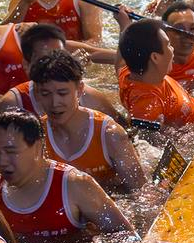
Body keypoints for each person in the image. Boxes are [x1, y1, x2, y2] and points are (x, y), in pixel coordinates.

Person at [0, 109, 135, 243]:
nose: (1, 161)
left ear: (38, 147)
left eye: (11, 151)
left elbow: (126, 235)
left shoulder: (75, 185)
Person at [30, 50, 145, 191]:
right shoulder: (35, 136)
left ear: (80, 90)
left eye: (62, 93)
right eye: (46, 94)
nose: (55, 103)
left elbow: (141, 193)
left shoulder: (110, 135)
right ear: (36, 94)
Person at [0, 22, 123, 123]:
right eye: (45, 60)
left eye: (60, 57)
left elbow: (128, 136)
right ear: (26, 65)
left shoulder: (89, 98)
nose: (54, 64)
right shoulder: (12, 104)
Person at [116, 18, 194, 128]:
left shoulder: (128, 72)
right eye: (168, 45)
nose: (173, 49)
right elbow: (144, 142)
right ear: (155, 57)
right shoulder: (148, 104)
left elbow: (119, 63)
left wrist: (125, 25)